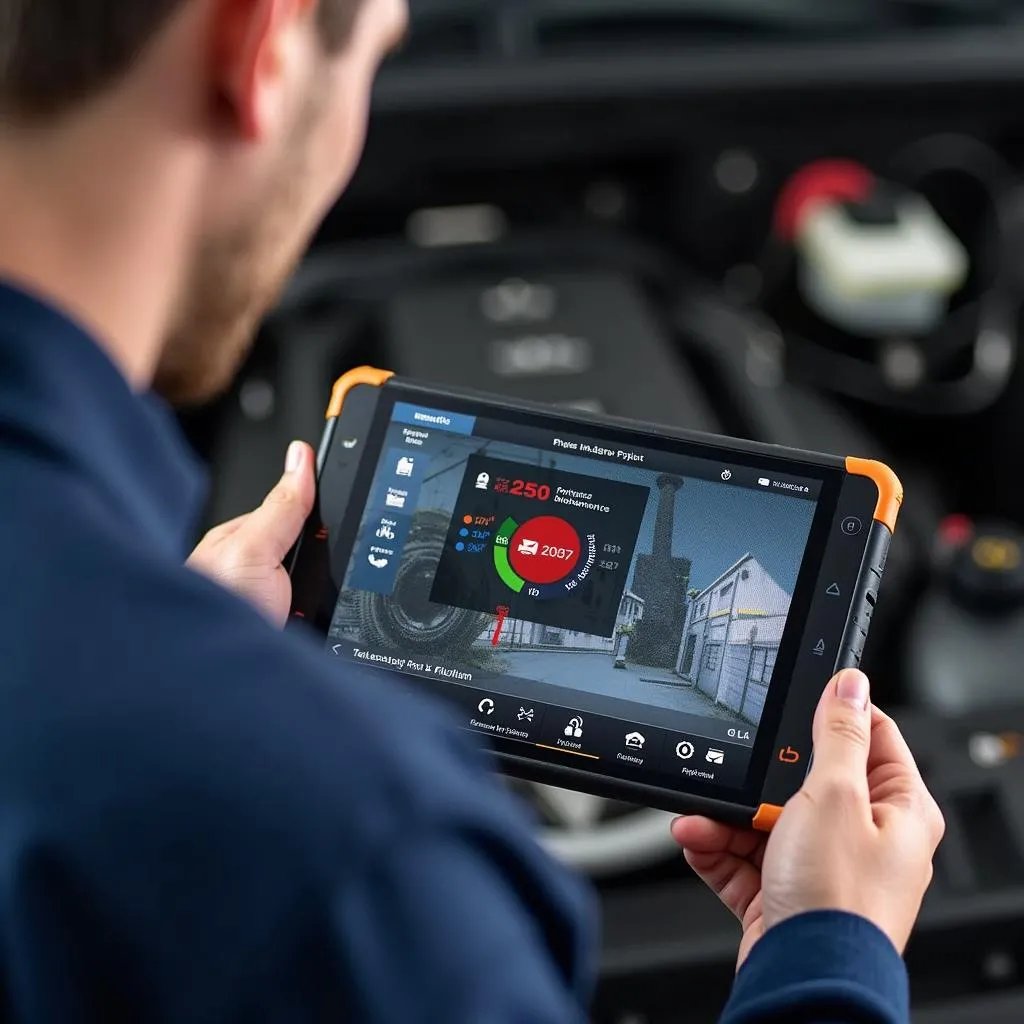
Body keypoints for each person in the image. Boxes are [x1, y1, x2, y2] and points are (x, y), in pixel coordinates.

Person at [0, 0, 945, 1021]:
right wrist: (827, 951)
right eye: (376, 58)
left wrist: (163, 657)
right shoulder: (344, 842)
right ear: (257, 45)